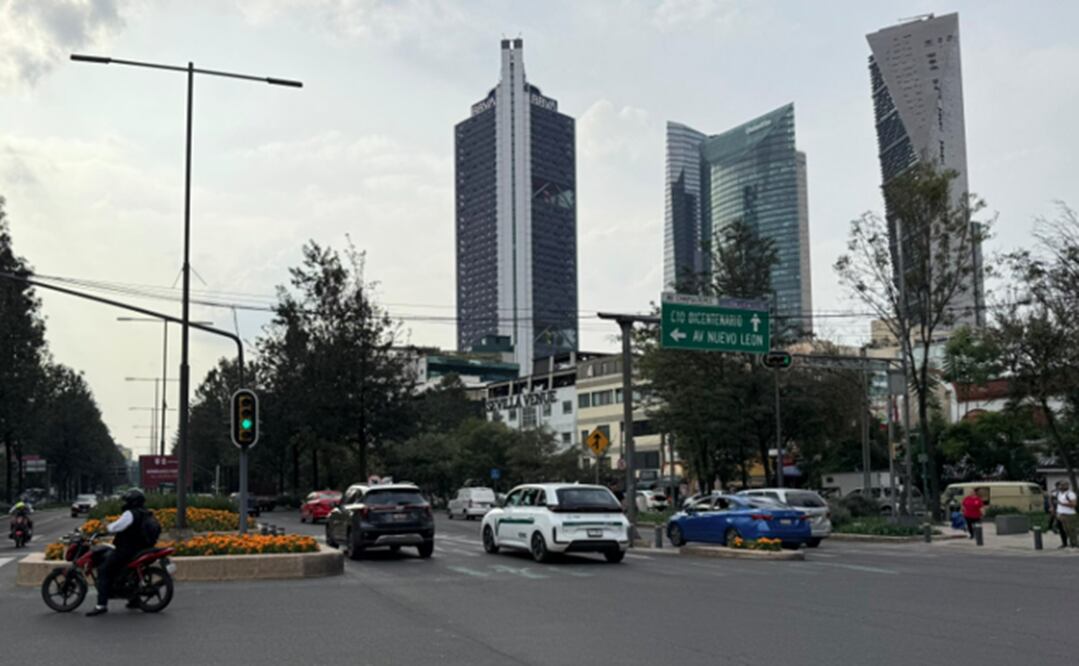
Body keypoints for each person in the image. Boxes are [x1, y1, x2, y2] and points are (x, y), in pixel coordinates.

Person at [86, 488, 153, 617]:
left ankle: (101, 605)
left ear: (132, 501)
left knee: (104, 570)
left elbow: (116, 527)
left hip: (127, 549)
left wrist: (106, 527)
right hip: (140, 549)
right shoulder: (145, 512)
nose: (125, 502)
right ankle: (133, 599)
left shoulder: (130, 514)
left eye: (127, 500)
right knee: (126, 573)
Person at [1057, 481, 1078, 550]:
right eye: (1061, 485)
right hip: (1061, 514)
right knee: (1066, 530)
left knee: (1071, 529)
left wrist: (1062, 504)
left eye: (1063, 485)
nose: (1061, 487)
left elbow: (1074, 504)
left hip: (1069, 514)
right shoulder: (1060, 494)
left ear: (1067, 486)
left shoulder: (1070, 494)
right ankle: (1071, 543)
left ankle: (1075, 544)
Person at [1049, 481, 1069, 548]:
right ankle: (1064, 543)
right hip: (1059, 512)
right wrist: (1052, 507)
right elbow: (1051, 500)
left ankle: (1072, 542)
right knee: (1061, 528)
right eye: (1059, 486)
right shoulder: (1054, 493)